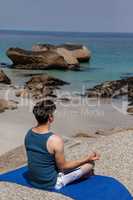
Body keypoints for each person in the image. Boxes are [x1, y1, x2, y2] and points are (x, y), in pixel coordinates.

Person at [25, 100, 100, 190]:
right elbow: (63, 167)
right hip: (50, 183)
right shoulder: (55, 140)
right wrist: (87, 159)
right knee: (89, 165)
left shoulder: (29, 133)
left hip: (33, 179)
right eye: (53, 114)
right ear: (50, 117)